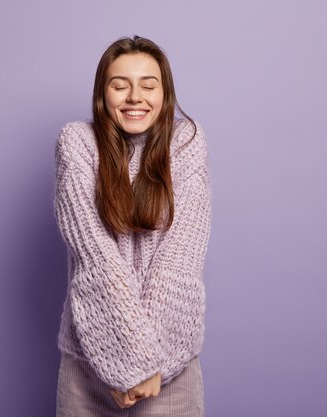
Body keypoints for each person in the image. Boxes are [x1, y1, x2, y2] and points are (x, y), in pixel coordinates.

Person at [53, 35, 212, 416]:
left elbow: (180, 261)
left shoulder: (187, 143)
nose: (134, 96)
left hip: (168, 367)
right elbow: (96, 258)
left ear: (165, 92)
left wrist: (147, 368)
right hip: (90, 363)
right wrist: (124, 363)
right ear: (102, 93)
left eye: (148, 85)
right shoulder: (77, 143)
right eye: (119, 84)